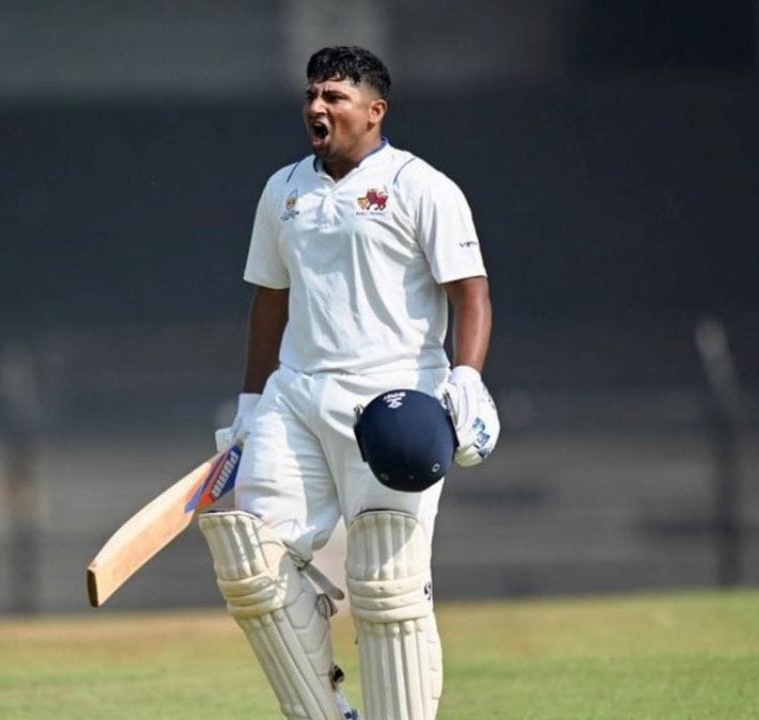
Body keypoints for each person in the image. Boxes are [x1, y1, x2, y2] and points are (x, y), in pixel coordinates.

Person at [198, 46, 498, 720]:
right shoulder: (283, 190)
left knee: (387, 585)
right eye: (312, 94)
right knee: (250, 561)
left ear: (374, 110)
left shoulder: (422, 186)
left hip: (394, 401)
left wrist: (466, 378)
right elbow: (270, 301)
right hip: (296, 395)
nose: (317, 106)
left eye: (334, 96)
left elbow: (471, 292)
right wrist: (250, 403)